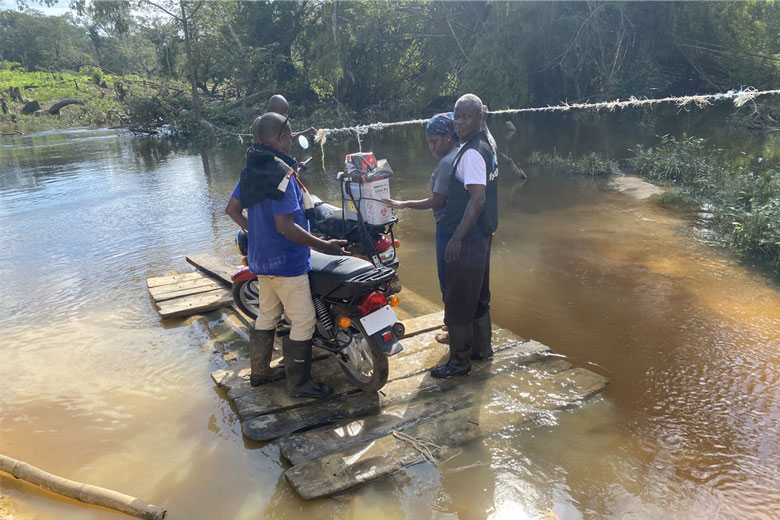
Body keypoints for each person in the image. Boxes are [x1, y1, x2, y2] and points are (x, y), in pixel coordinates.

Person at [225, 112, 348, 398]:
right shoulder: (282, 175)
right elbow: (285, 226)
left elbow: (232, 209)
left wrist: (256, 232)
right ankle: (299, 384)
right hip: (287, 263)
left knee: (267, 315)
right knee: (303, 321)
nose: (292, 142)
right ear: (280, 138)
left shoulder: (250, 170)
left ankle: (260, 374)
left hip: (261, 260)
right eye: (290, 137)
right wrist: (324, 245)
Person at [431, 93, 499, 379]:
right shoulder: (488, 143)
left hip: (468, 238)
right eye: (456, 117)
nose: (459, 122)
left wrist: (456, 238)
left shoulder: (472, 152)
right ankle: (482, 349)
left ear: (479, 118)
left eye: (466, 117)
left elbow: (477, 199)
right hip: (483, 234)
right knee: (479, 295)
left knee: (458, 300)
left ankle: (459, 363)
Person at [384, 112, 459, 297]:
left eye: (435, 142)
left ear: (448, 137)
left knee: (447, 280)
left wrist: (404, 204)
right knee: (457, 278)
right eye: (429, 142)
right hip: (458, 225)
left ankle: (451, 314)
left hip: (447, 228)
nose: (431, 147)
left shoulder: (446, 163)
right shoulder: (459, 154)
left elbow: (437, 201)